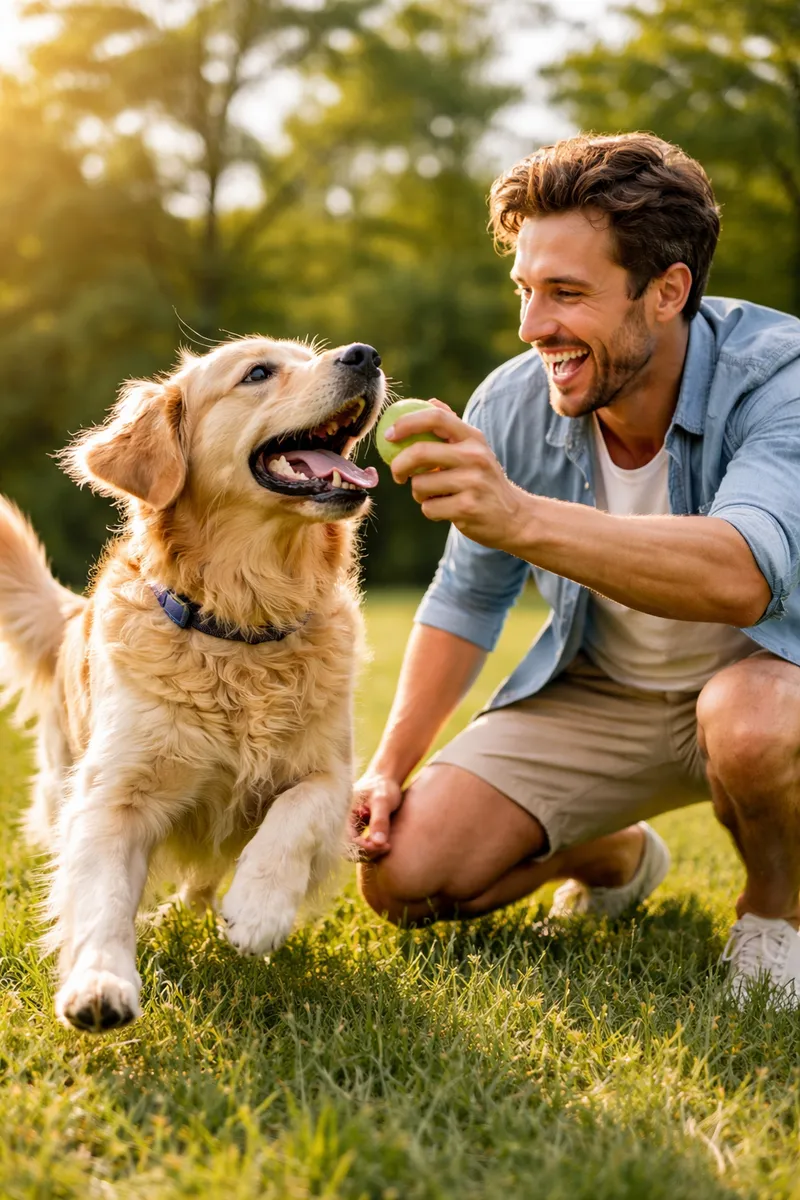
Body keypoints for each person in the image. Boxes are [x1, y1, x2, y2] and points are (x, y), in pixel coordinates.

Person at [353, 132, 800, 1007]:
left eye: (565, 293)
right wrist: (387, 768)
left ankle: (776, 913)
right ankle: (615, 851)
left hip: (768, 681)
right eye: (525, 290)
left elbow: (744, 572)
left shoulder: (778, 379)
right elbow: (468, 596)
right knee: (405, 877)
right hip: (607, 688)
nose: (532, 328)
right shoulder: (514, 399)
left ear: (668, 291)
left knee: (750, 723)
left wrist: (517, 514)